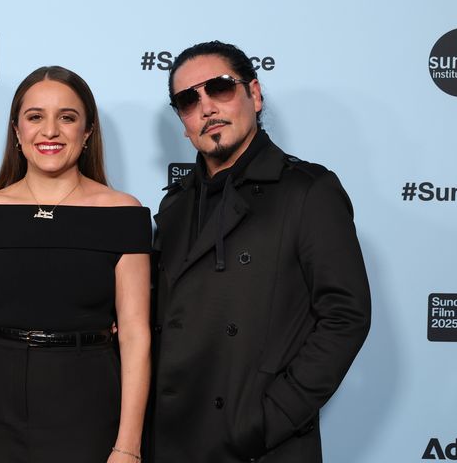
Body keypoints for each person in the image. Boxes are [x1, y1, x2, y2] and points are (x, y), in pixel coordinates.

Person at [148, 41, 371, 462]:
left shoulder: (308, 191)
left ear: (254, 94)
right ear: (182, 122)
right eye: (188, 100)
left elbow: (346, 315)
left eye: (219, 88)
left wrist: (272, 416)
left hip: (260, 445)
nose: (207, 107)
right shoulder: (174, 206)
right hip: (173, 440)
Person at [0, 66, 152, 463]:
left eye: (67, 117)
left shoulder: (123, 214)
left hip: (88, 403)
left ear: (87, 132)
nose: (50, 131)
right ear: (17, 131)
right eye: (35, 116)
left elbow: (135, 334)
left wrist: (128, 446)